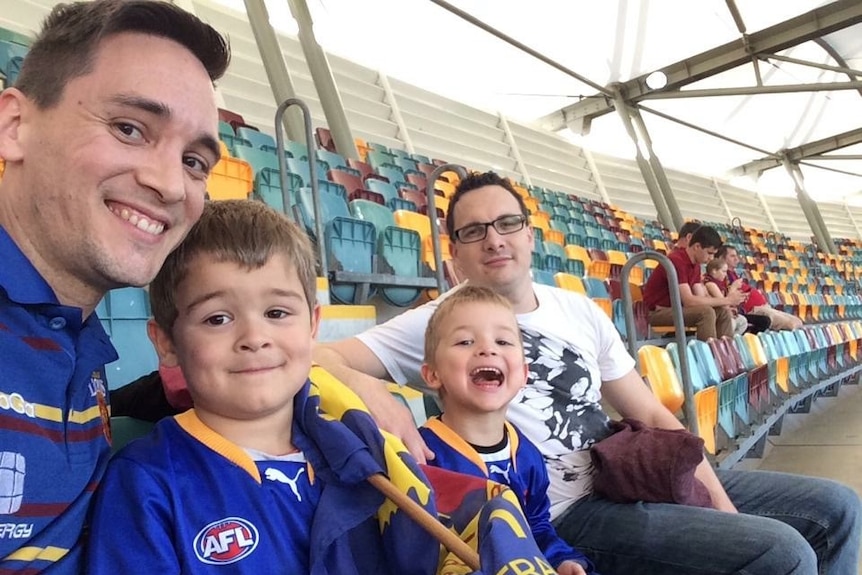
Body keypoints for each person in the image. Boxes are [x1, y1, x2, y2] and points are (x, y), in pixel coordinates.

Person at [313, 171, 862, 574]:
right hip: (561, 515)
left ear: (530, 236)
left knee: (838, 508)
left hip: (624, 475)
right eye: (474, 231)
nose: (494, 239)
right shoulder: (438, 321)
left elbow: (647, 412)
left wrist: (715, 495)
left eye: (507, 223)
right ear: (455, 253)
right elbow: (314, 354)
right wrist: (371, 391)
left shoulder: (575, 308)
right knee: (780, 552)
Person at [87, 200, 443, 574]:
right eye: (217, 318)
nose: (254, 338)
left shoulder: (363, 456)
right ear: (167, 344)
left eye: (276, 313)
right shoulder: (145, 483)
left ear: (312, 325)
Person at [0, 1, 229, 572]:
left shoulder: (74, 333)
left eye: (196, 162)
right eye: (130, 129)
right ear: (14, 126)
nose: (171, 185)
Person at [418, 285, 595, 575]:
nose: (488, 349)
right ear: (433, 374)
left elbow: (536, 527)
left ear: (523, 374)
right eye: (464, 342)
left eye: (503, 341)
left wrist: (562, 561)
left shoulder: (527, 455)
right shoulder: (421, 455)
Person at [642, 225, 747, 341]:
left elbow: (701, 298)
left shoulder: (696, 266)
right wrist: (727, 300)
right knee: (706, 313)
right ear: (697, 246)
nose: (711, 258)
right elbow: (689, 301)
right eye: (709, 253)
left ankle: (725, 354)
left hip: (676, 310)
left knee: (722, 313)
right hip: (657, 312)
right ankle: (707, 356)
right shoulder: (676, 260)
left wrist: (724, 305)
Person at [718, 244, 803, 331]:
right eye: (732, 256)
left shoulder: (733, 274)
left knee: (798, 321)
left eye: (736, 256)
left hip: (763, 307)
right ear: (721, 258)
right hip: (753, 310)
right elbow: (727, 299)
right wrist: (734, 288)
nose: (737, 259)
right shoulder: (722, 276)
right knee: (791, 324)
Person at [703, 258, 748, 336]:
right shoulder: (711, 284)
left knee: (742, 321)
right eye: (723, 271)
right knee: (732, 323)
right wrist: (733, 288)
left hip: (722, 312)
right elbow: (724, 302)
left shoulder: (720, 284)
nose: (725, 274)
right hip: (716, 315)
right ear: (714, 271)